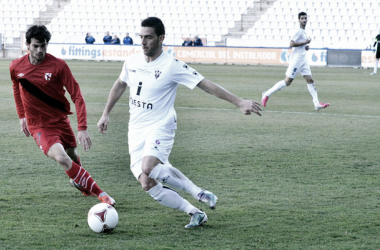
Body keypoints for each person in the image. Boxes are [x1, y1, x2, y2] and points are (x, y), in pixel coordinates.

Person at [97, 17, 262, 228]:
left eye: (148, 37)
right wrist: (105, 113)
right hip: (136, 128)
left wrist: (239, 102)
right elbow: (120, 85)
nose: (143, 42)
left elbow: (205, 84)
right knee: (147, 183)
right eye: (141, 37)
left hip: (161, 124)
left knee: (148, 166)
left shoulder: (172, 65)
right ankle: (194, 212)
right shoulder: (132, 62)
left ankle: (199, 192)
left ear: (161, 38)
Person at [9, 25, 115, 206]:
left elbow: (77, 96)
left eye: (43, 46)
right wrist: (22, 115)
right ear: (27, 45)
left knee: (72, 155)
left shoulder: (58, 65)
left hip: (60, 120)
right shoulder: (16, 67)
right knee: (62, 158)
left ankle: (79, 182)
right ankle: (101, 194)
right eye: (35, 46)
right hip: (39, 126)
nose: (40, 50)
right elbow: (16, 89)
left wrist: (82, 128)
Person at [261, 12, 330, 111]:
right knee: (287, 82)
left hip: (303, 60)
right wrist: (305, 42)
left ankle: (316, 104)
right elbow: (291, 44)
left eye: (305, 18)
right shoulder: (298, 31)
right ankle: (266, 94)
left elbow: (299, 45)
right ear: (299, 20)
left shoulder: (304, 32)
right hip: (297, 60)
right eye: (302, 18)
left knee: (310, 80)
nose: (304, 20)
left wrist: (305, 47)